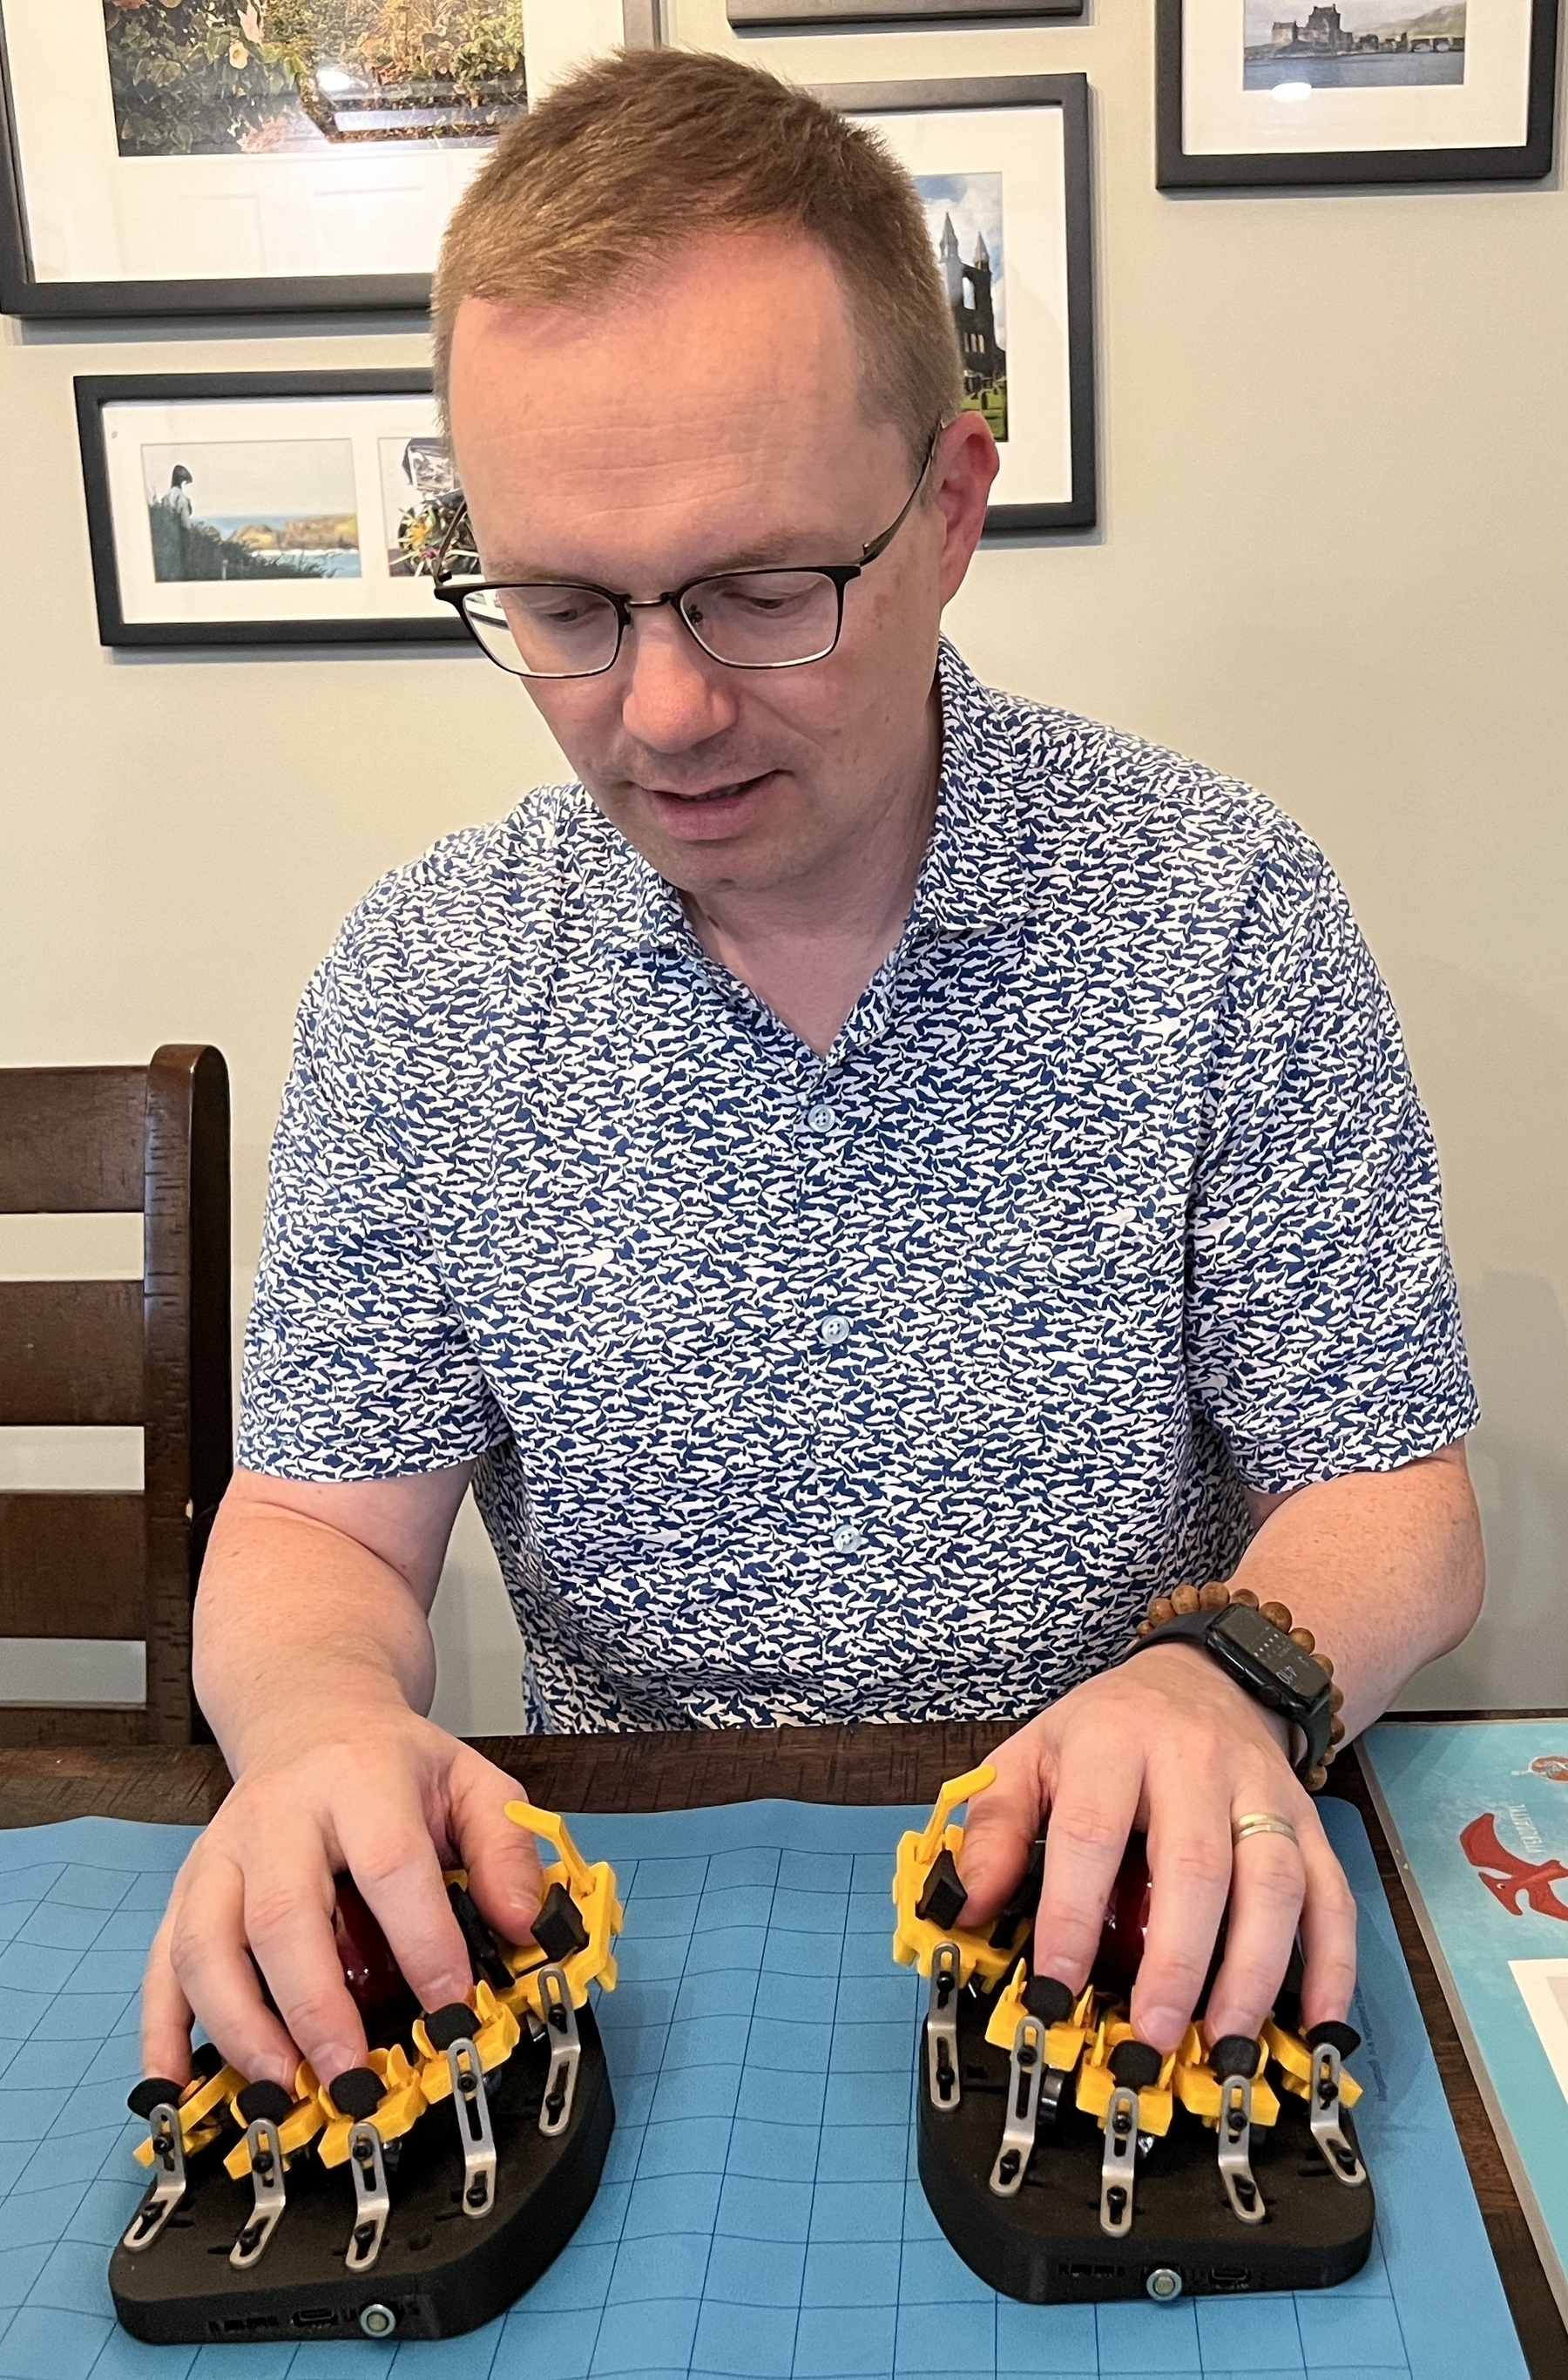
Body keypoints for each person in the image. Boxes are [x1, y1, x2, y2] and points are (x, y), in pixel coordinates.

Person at [143, 47, 1484, 2106]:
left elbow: (1392, 1490)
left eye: (762, 590)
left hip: (1138, 1911)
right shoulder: (428, 977)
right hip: (636, 1916)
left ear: (948, 511)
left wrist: (1229, 1674)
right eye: (568, 606)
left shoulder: (1220, 907)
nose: (663, 711)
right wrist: (321, 1729)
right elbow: (319, 1521)